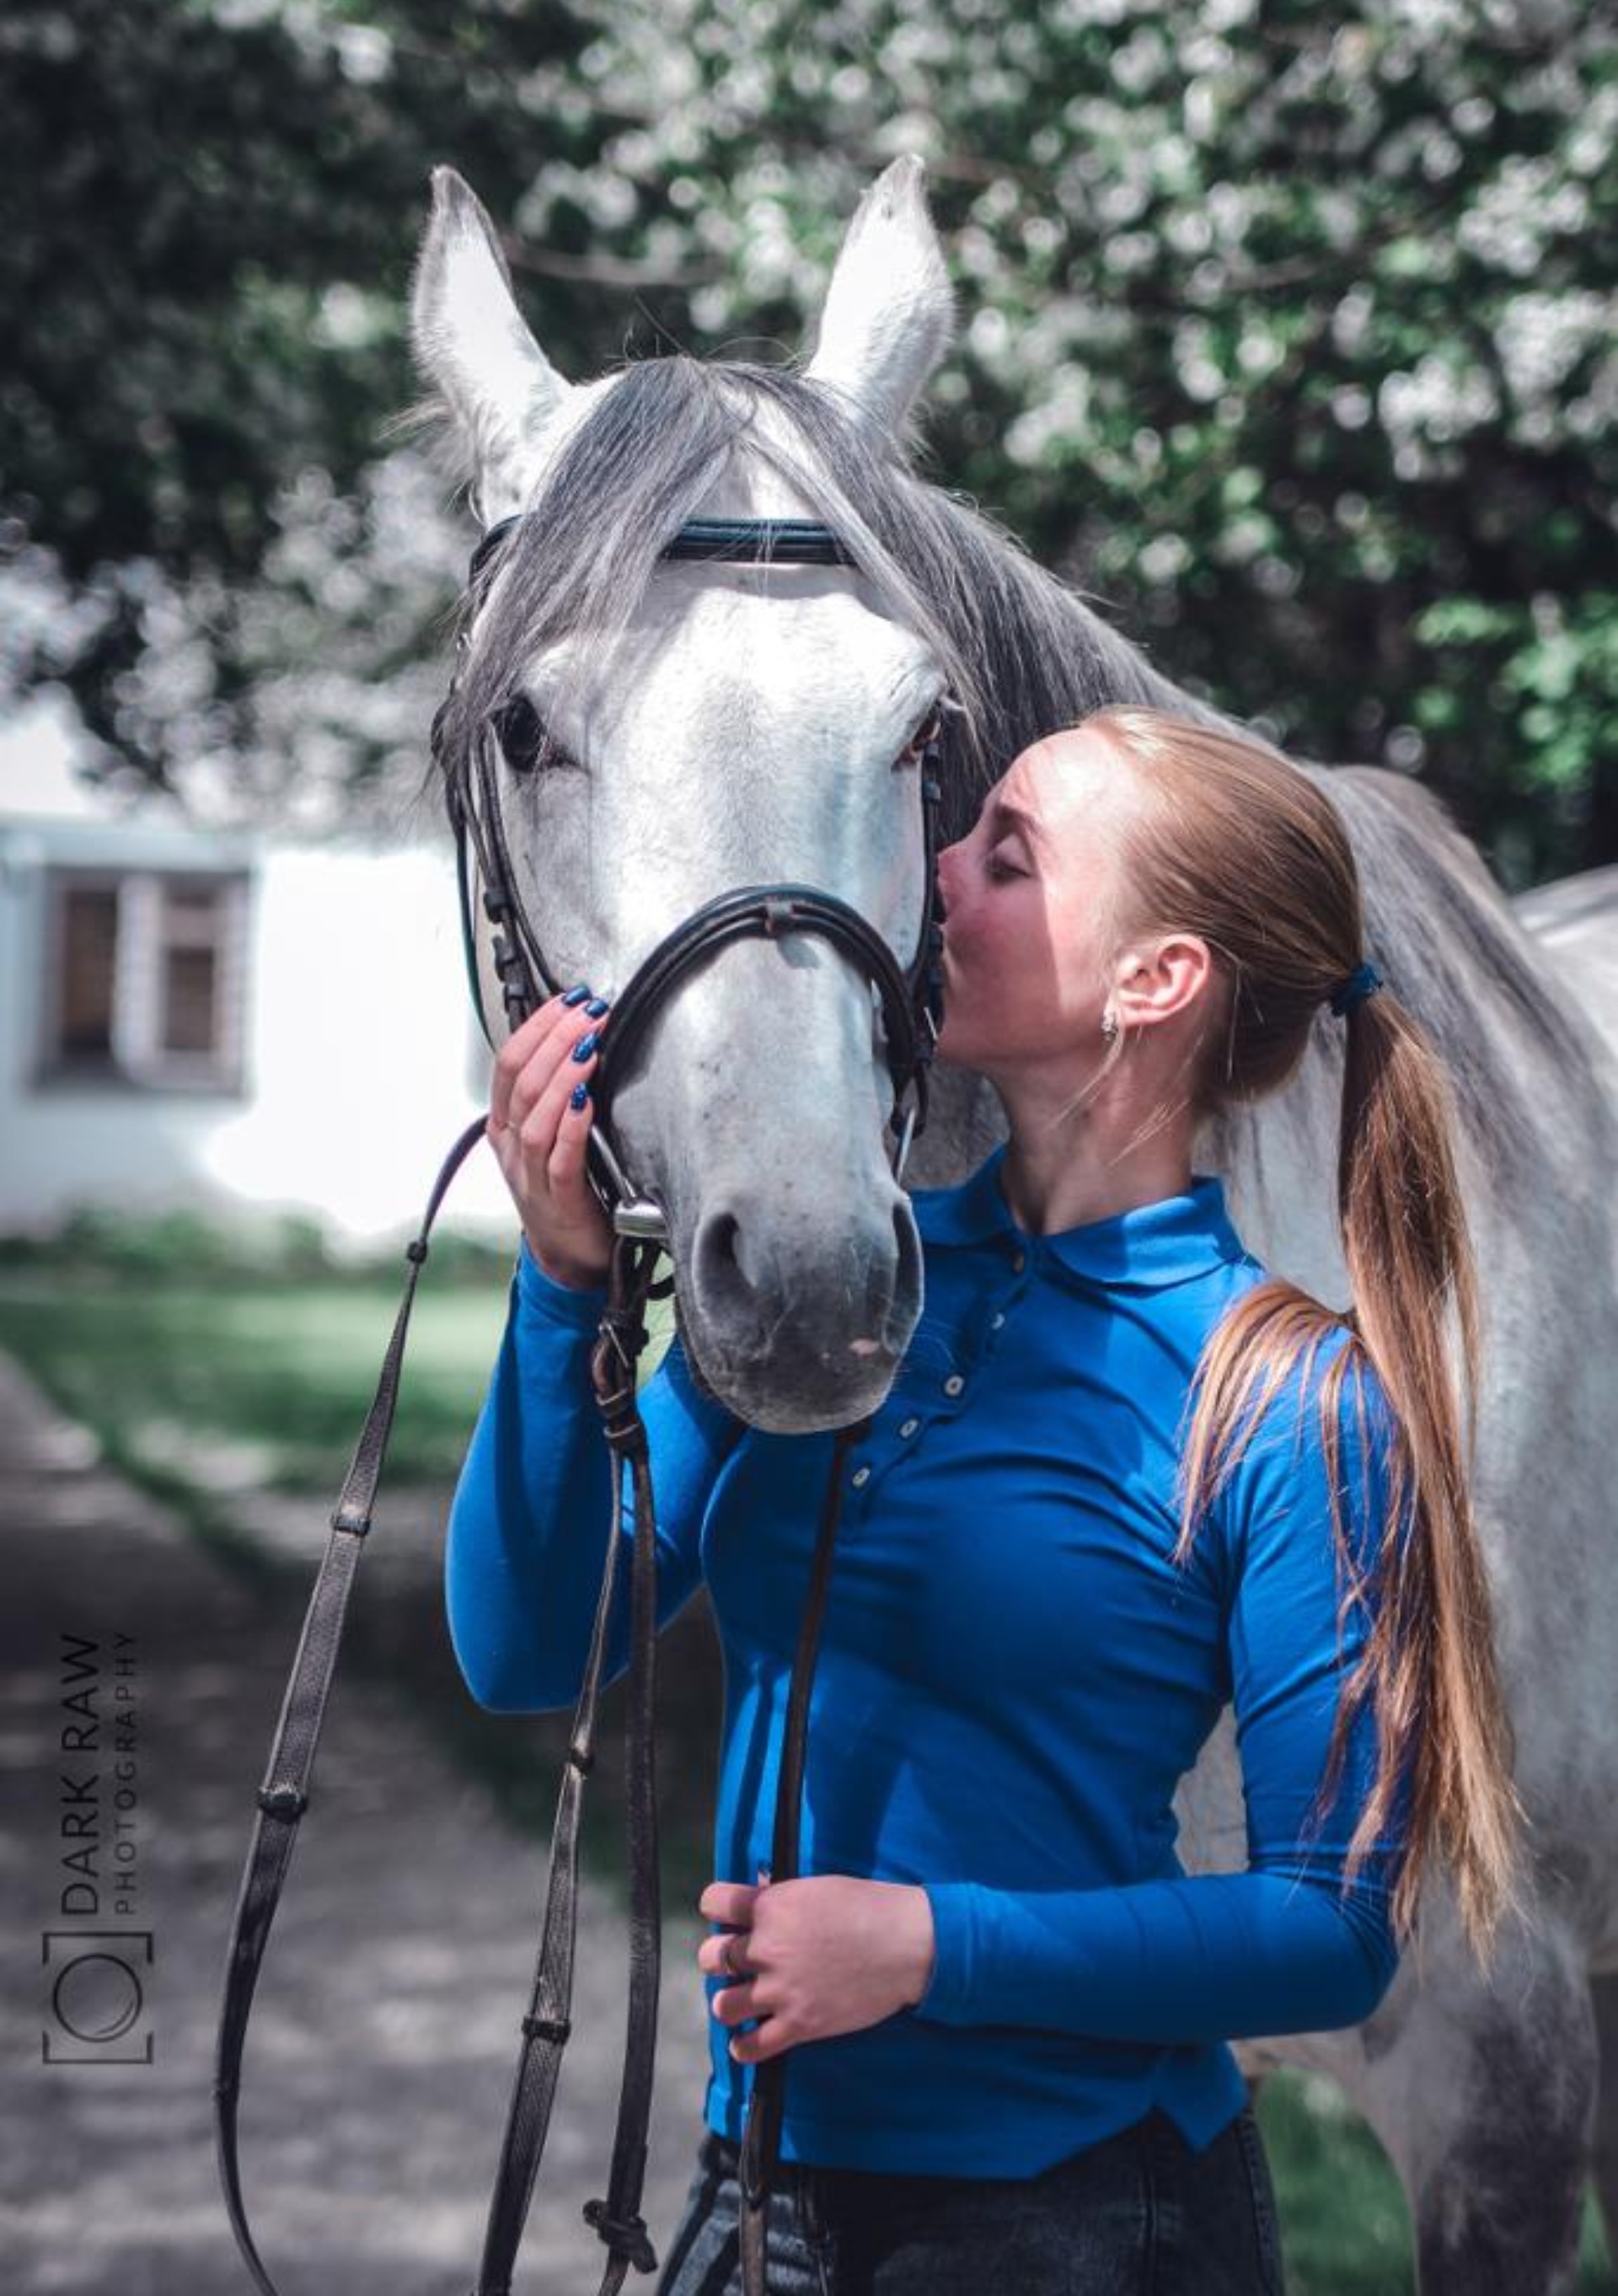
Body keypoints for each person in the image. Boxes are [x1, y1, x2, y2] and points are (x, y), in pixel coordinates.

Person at [444, 704, 1524, 2295]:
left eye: (1001, 855)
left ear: (1157, 981)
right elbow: (531, 1647)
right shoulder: (854, 1286)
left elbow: (1331, 1931)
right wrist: (559, 1286)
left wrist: (928, 1948)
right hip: (758, 2196)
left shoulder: (1287, 1397)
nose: (931, 874)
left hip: (1083, 2220)